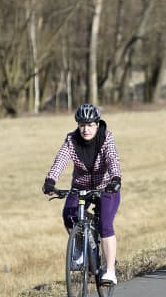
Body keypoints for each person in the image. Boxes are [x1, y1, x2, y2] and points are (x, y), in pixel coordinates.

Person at [42, 103, 122, 285]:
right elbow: (60, 160)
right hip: (80, 187)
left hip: (106, 187)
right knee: (69, 216)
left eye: (90, 125)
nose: (86, 129)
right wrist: (50, 181)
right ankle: (80, 247)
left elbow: (112, 159)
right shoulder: (71, 140)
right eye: (82, 125)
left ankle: (109, 271)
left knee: (105, 225)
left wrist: (116, 179)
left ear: (97, 124)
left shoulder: (106, 137)